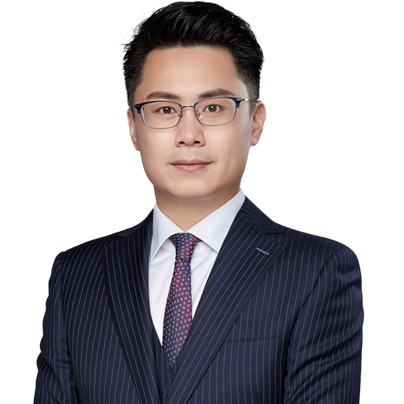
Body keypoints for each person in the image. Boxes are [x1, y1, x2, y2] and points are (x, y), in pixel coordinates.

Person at [34, 2, 363, 403]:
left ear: (256, 122)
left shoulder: (316, 271)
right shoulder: (76, 276)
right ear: (134, 128)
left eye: (213, 108)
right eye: (165, 109)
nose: (189, 134)